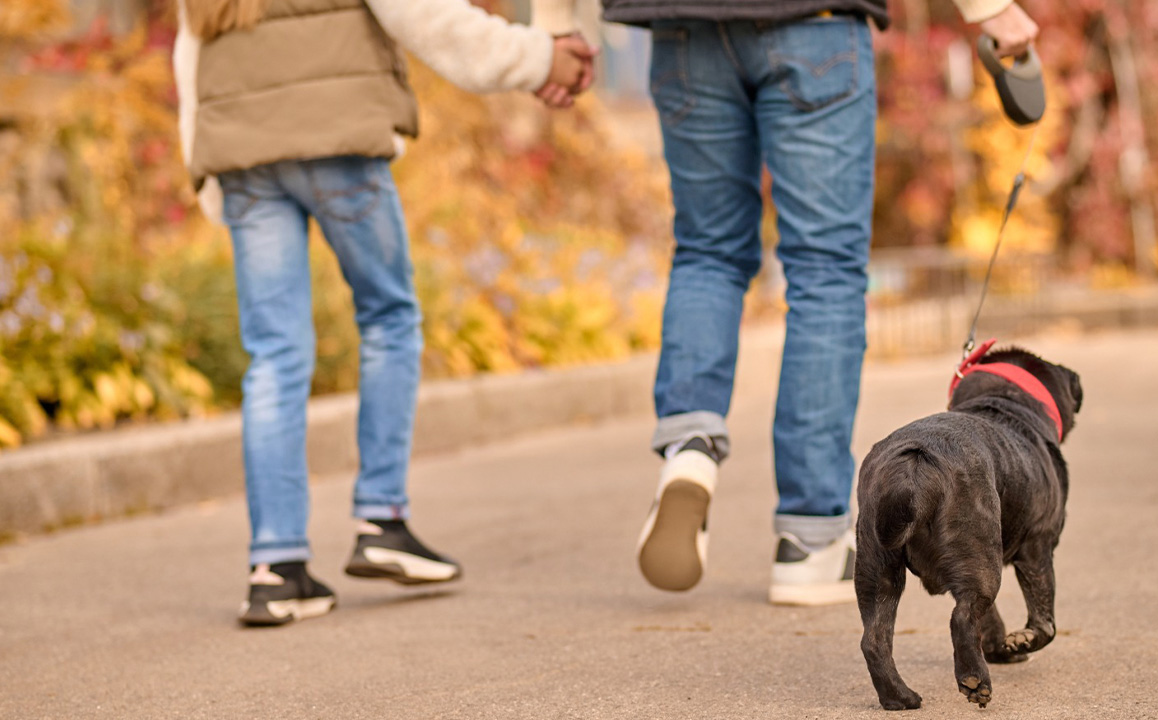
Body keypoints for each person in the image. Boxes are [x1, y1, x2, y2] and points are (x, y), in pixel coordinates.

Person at [539, 0, 1039, 605]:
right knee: (824, 269)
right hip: (813, 25)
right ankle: (809, 539)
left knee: (706, 251)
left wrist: (555, 22)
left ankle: (689, 445)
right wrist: (992, 11)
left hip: (683, 29)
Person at [173, 0, 595, 626]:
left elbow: (190, 54)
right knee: (390, 318)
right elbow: (426, 15)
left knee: (275, 354)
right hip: (337, 139)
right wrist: (540, 59)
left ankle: (276, 568)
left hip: (243, 157)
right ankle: (381, 520)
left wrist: (206, 173)